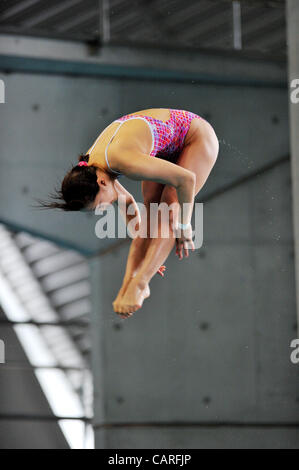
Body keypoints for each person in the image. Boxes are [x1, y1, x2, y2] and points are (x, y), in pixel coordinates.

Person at [42, 108, 219, 318]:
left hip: (195, 136)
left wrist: (184, 225)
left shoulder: (124, 162)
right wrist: (148, 253)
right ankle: (130, 285)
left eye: (100, 205)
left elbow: (186, 179)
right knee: (152, 208)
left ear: (101, 183)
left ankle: (139, 285)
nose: (103, 210)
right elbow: (127, 203)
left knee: (170, 207)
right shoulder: (91, 168)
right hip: (165, 145)